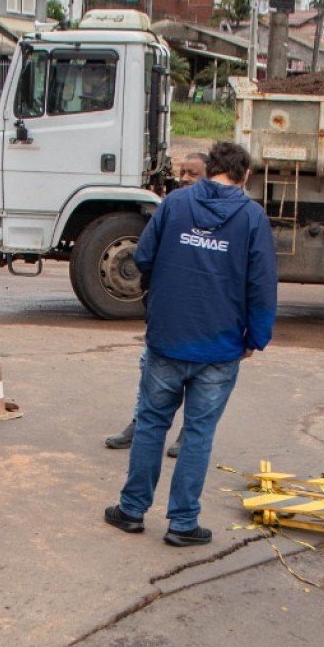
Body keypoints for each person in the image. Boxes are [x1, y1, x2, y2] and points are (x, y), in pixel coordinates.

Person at [103, 140, 275, 546]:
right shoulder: (251, 217)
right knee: (197, 434)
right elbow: (262, 284)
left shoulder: (175, 205)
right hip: (220, 346)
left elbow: (142, 257)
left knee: (151, 424)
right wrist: (257, 336)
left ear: (208, 166)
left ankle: (131, 510)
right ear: (244, 175)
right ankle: (182, 524)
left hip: (167, 337)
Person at [102, 152, 208, 455]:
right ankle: (140, 424)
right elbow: (145, 254)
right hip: (167, 311)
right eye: (183, 172)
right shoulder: (172, 209)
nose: (185, 178)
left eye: (193, 174)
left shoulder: (217, 217)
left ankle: (186, 434)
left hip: (201, 314)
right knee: (150, 368)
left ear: (209, 178)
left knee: (196, 378)